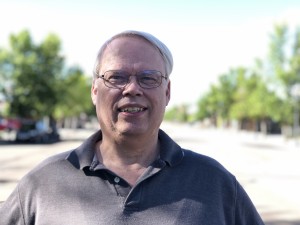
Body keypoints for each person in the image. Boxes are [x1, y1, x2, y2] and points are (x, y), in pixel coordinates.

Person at [0, 30, 265, 225]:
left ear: (168, 92)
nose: (132, 89)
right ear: (94, 90)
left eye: (148, 78)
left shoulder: (215, 183)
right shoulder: (42, 184)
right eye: (116, 77)